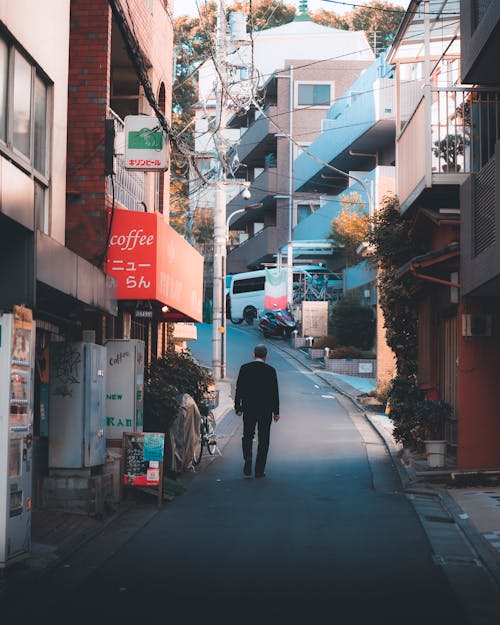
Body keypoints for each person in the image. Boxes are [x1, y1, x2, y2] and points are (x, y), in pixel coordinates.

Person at [234, 344, 280, 478]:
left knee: (247, 435)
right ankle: (259, 470)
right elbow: (274, 393)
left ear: (253, 355)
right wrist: (276, 412)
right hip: (265, 410)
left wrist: (238, 407)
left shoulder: (245, 368)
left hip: (249, 408)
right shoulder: (271, 371)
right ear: (266, 357)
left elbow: (239, 389)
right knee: (264, 439)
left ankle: (248, 458)